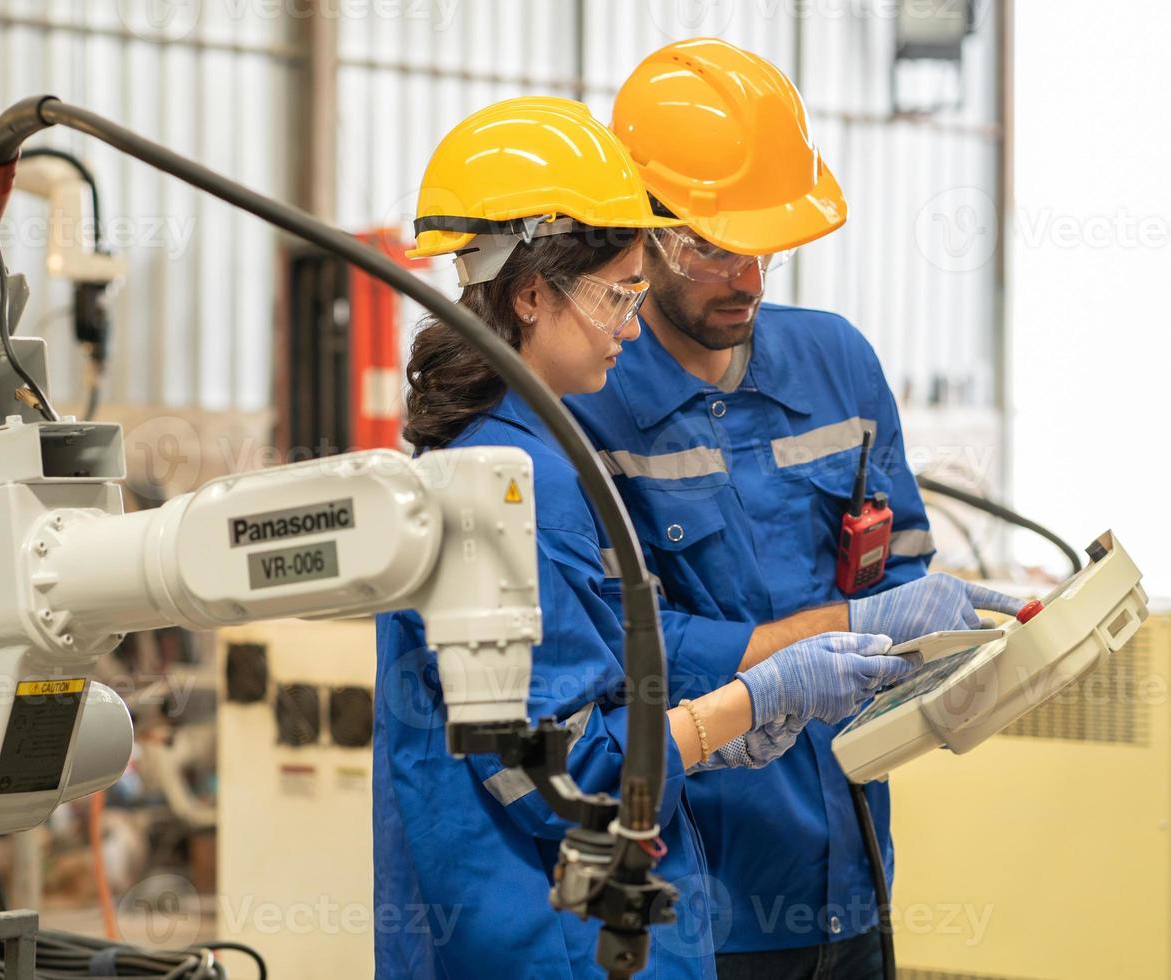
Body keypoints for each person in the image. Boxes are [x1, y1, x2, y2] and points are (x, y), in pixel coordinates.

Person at [372, 96, 916, 979]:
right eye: (620, 295)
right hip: (554, 943)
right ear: (531, 293)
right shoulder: (521, 480)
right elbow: (572, 779)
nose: (634, 324)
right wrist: (746, 703)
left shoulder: (513, 452)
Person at [565, 39, 1024, 979]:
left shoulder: (838, 366)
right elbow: (613, 651)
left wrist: (955, 655)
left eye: (764, 245)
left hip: (852, 871)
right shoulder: (585, 407)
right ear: (638, 235)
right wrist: (822, 641)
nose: (747, 278)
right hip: (694, 900)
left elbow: (895, 576)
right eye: (712, 247)